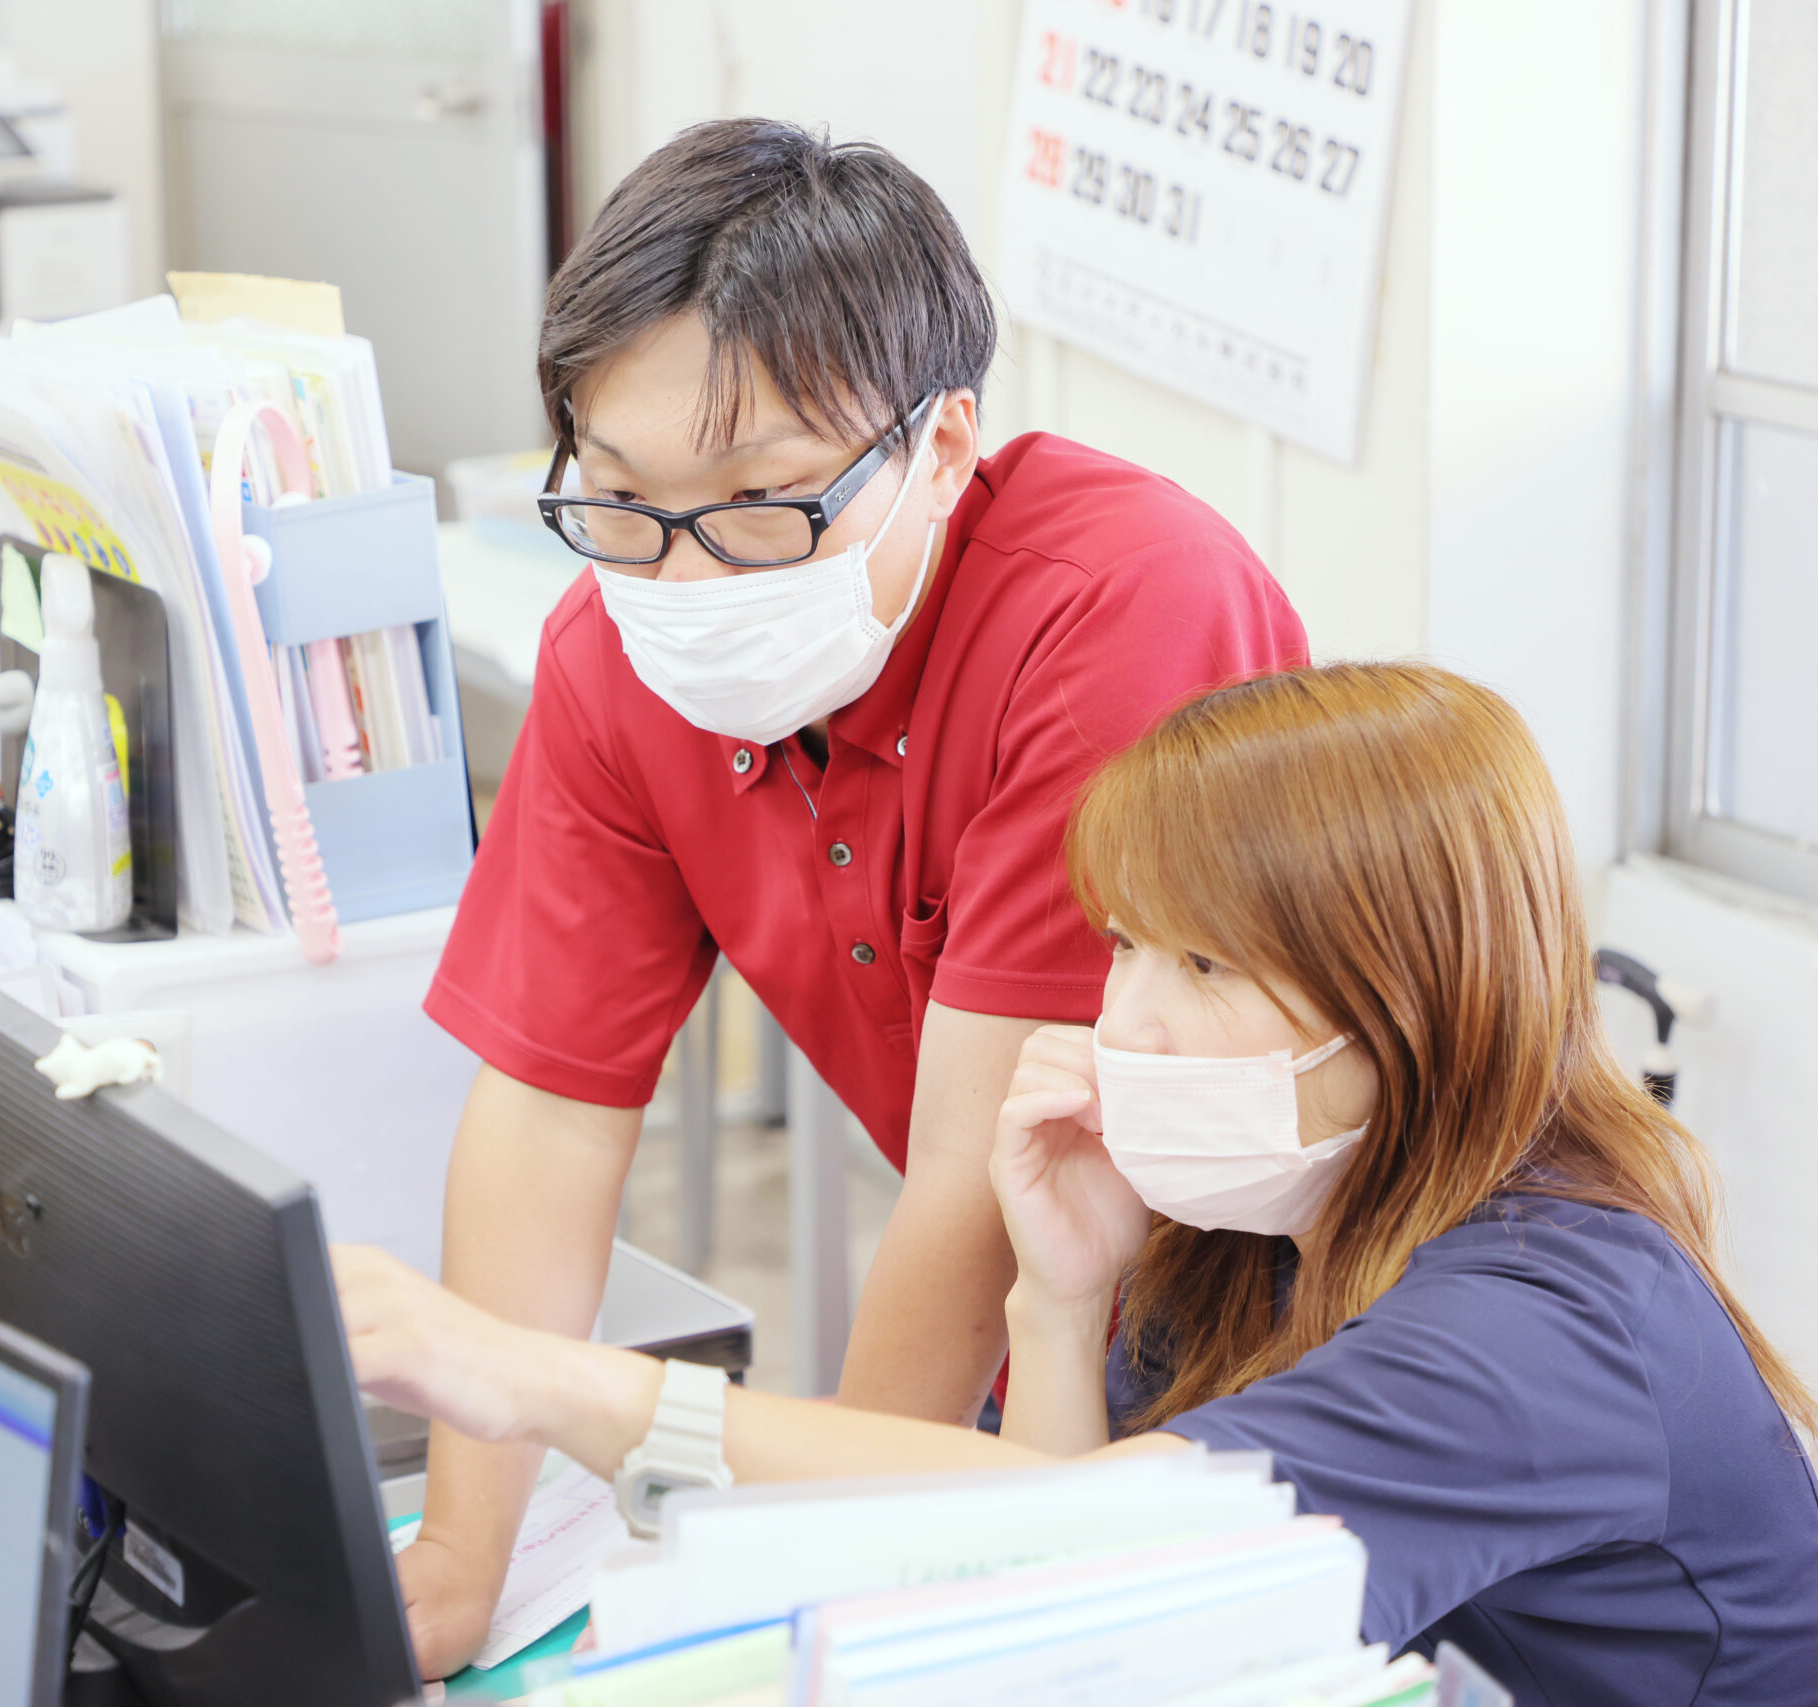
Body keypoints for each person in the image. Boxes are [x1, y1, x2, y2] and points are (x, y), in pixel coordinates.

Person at [345, 662, 1818, 1702]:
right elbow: (1077, 1591)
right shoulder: (1284, 1214)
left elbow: (1107, 1553)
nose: (1124, 1019)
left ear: (1409, 1004)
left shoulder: (1542, 1330)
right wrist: (1060, 1297)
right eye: (1128, 946)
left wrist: (534, 1379)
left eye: (1206, 964)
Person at [404, 119, 1306, 1670]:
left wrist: (824, 1589)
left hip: (1278, 1332)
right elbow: (551, 1110)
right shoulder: (612, 654)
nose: (682, 583)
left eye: (765, 506)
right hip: (1049, 1313)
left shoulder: (1115, 609)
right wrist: (454, 1564)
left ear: (941, 448)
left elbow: (969, 1171)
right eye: (619, 502)